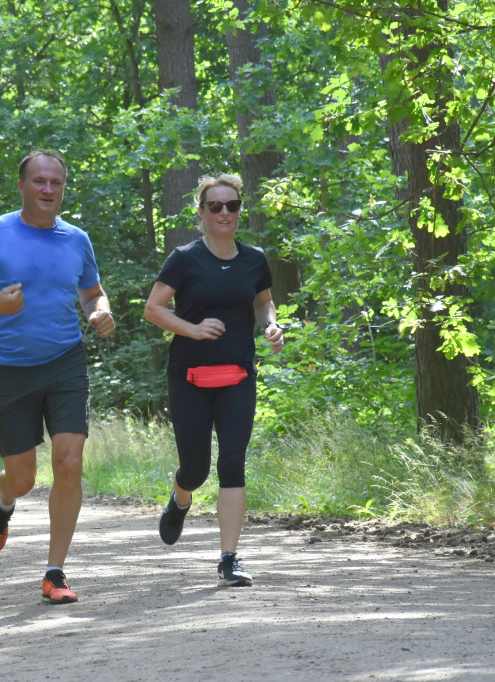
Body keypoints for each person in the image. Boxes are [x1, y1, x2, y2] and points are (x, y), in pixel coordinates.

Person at [0, 149, 115, 605]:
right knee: (22, 477)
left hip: (65, 361)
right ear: (22, 186)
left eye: (55, 183)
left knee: (69, 460)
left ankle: (55, 572)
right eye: (39, 181)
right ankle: (3, 503)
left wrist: (101, 313)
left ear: (63, 188)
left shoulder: (76, 239)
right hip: (8, 369)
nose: (47, 190)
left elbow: (92, 294)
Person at [143, 173, 284, 587]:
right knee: (196, 468)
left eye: (232, 206)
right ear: (201, 213)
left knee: (232, 463)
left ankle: (229, 559)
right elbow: (153, 309)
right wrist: (193, 328)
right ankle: (180, 496)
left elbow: (264, 302)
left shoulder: (254, 258)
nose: (225, 213)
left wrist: (271, 327)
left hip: (238, 374)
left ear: (240, 210)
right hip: (189, 376)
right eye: (216, 206)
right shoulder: (184, 258)